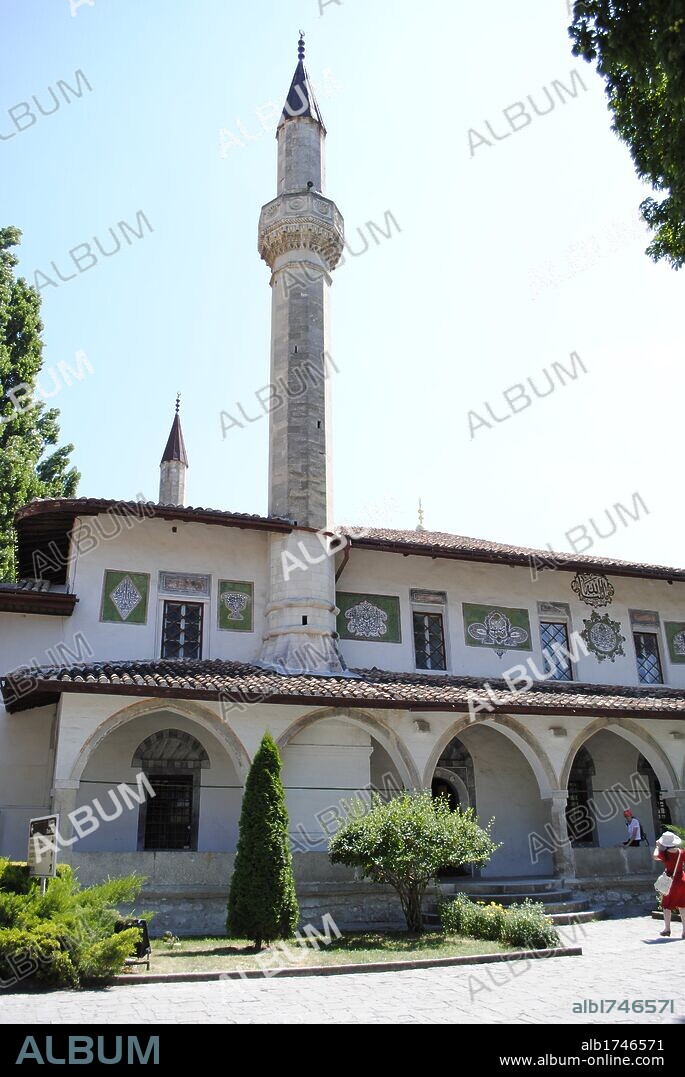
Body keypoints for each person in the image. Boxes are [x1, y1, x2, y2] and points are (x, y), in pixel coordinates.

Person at [653, 831, 685, 938]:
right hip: (682, 880)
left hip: (670, 881)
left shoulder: (665, 854)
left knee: (667, 906)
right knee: (683, 905)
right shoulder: (681, 852)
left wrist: (657, 847)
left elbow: (655, 856)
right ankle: (684, 931)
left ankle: (667, 929)